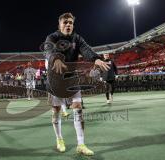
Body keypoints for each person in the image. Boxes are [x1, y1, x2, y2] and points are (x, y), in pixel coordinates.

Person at [45, 12, 109, 156]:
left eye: (71, 23)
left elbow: (86, 49)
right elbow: (48, 50)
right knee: (56, 111)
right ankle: (59, 139)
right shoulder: (52, 37)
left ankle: (81, 144)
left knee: (78, 108)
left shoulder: (77, 38)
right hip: (55, 79)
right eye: (65, 22)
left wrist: (95, 59)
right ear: (59, 24)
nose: (68, 25)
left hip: (72, 77)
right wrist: (55, 59)